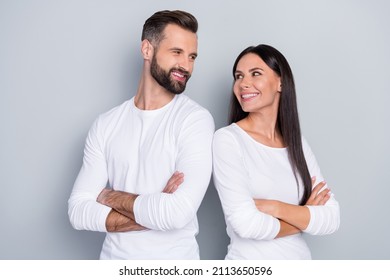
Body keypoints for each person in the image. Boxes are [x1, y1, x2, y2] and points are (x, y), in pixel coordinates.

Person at [68, 10, 214, 260]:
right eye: (176, 52)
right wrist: (155, 209)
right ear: (147, 49)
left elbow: (177, 214)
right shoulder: (106, 124)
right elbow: (78, 212)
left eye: (192, 57)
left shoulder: (195, 120)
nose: (186, 66)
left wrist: (108, 196)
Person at [212, 44, 340, 259]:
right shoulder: (227, 140)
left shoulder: (297, 143)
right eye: (239, 76)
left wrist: (275, 207)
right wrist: (304, 217)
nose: (244, 84)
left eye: (256, 74)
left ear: (280, 82)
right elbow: (247, 225)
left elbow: (332, 217)